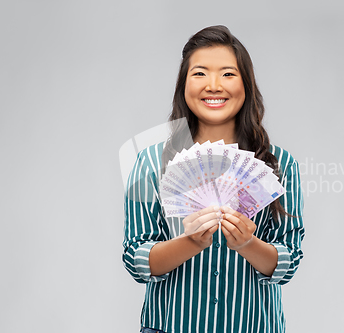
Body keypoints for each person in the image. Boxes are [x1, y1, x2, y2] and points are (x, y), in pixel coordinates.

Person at [123, 25, 305, 333]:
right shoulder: (150, 162)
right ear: (183, 85)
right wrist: (189, 242)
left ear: (247, 86)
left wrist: (248, 243)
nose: (214, 85)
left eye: (228, 74)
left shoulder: (279, 164)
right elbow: (137, 258)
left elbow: (288, 259)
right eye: (200, 73)